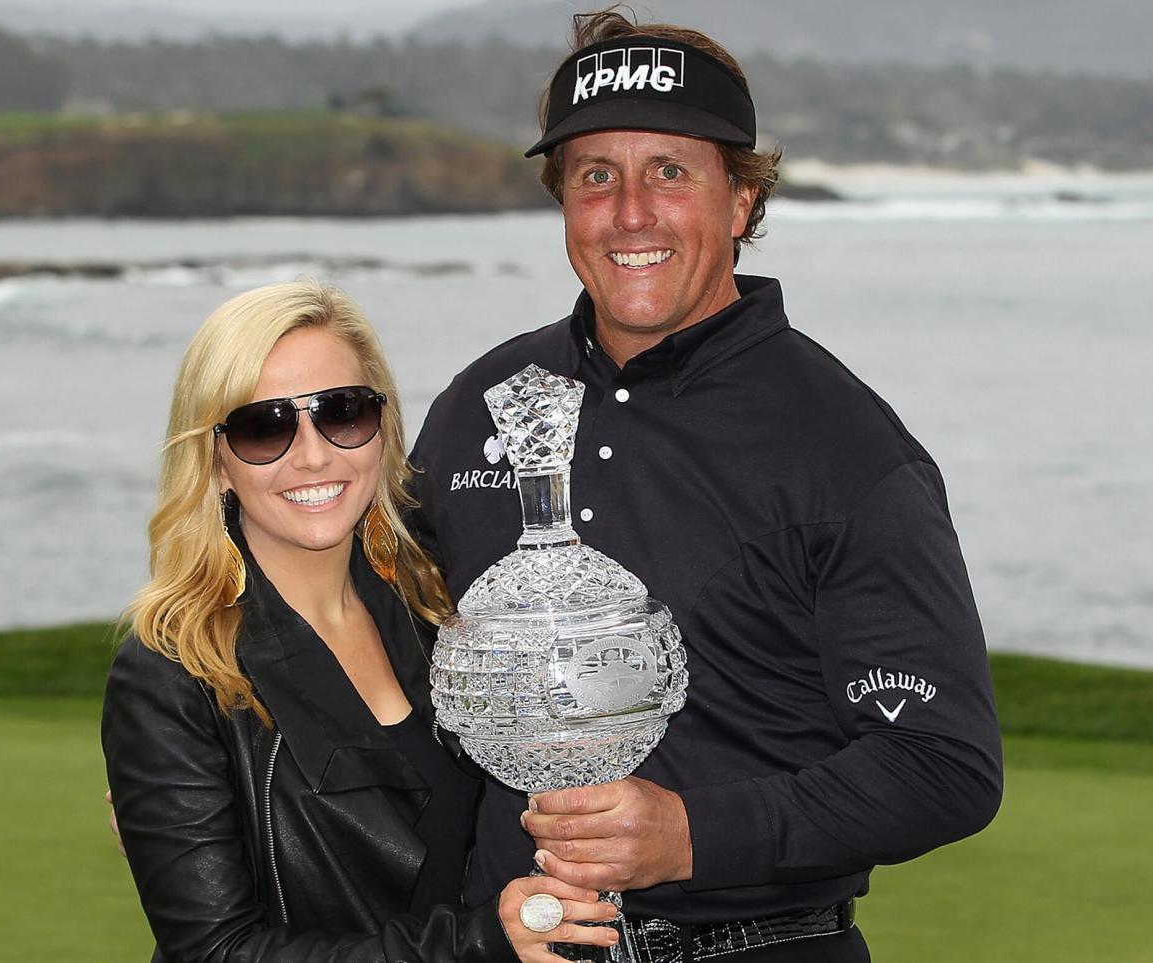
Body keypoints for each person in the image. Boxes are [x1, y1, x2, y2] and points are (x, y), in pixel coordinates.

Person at [408, 10, 1004, 962]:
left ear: (741, 201)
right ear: (563, 202)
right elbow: (367, 639)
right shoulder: (484, 404)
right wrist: (215, 762)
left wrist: (692, 834)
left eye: (671, 172)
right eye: (596, 174)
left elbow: (944, 766)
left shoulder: (844, 448)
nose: (631, 211)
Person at [101, 280, 618, 962]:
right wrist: (479, 941)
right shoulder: (172, 671)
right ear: (216, 461)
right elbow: (215, 951)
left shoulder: (430, 613)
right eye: (266, 425)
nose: (314, 454)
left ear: (382, 430)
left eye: (342, 413)